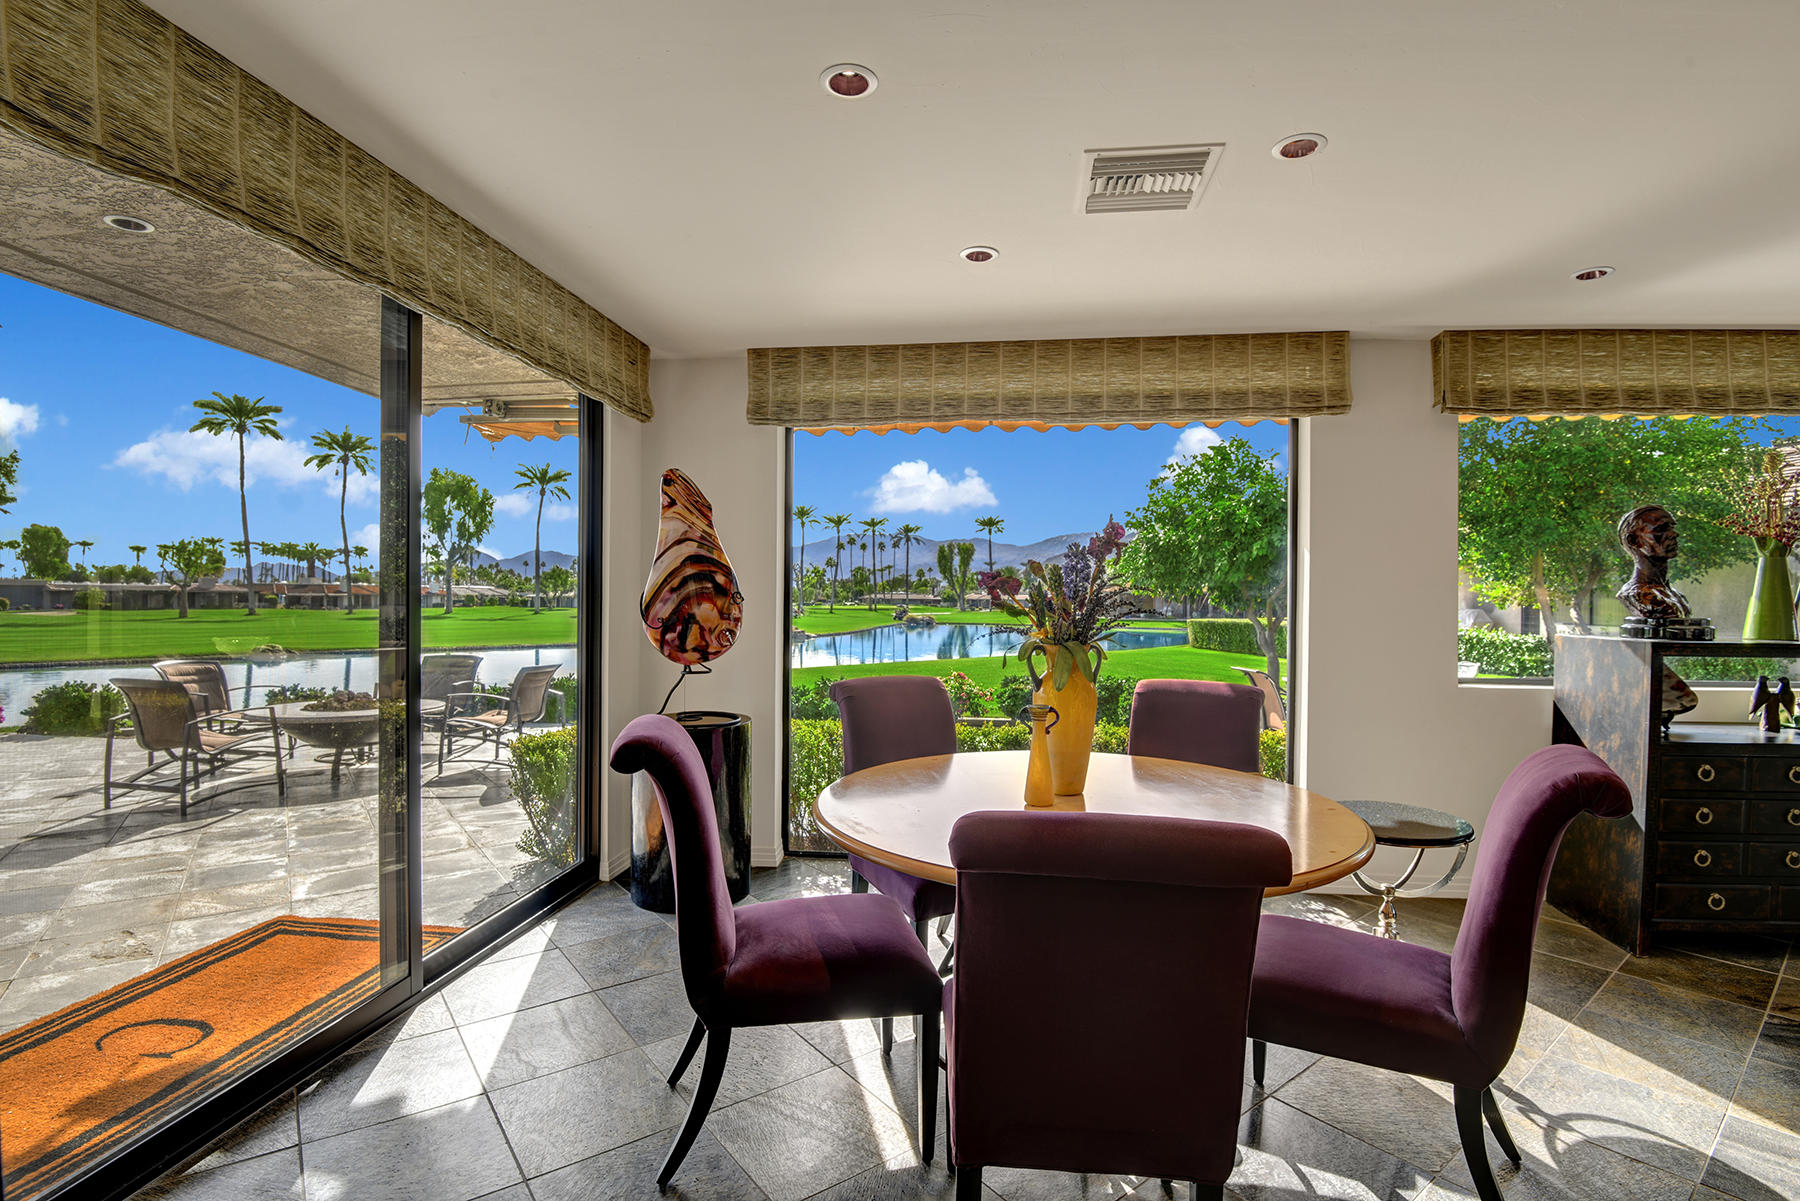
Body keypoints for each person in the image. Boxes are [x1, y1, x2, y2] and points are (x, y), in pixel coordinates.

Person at [1615, 504, 1692, 620]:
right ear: (1634, 541)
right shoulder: (1640, 595)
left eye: (1672, 527)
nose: (1674, 534)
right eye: (1661, 529)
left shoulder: (1675, 595)